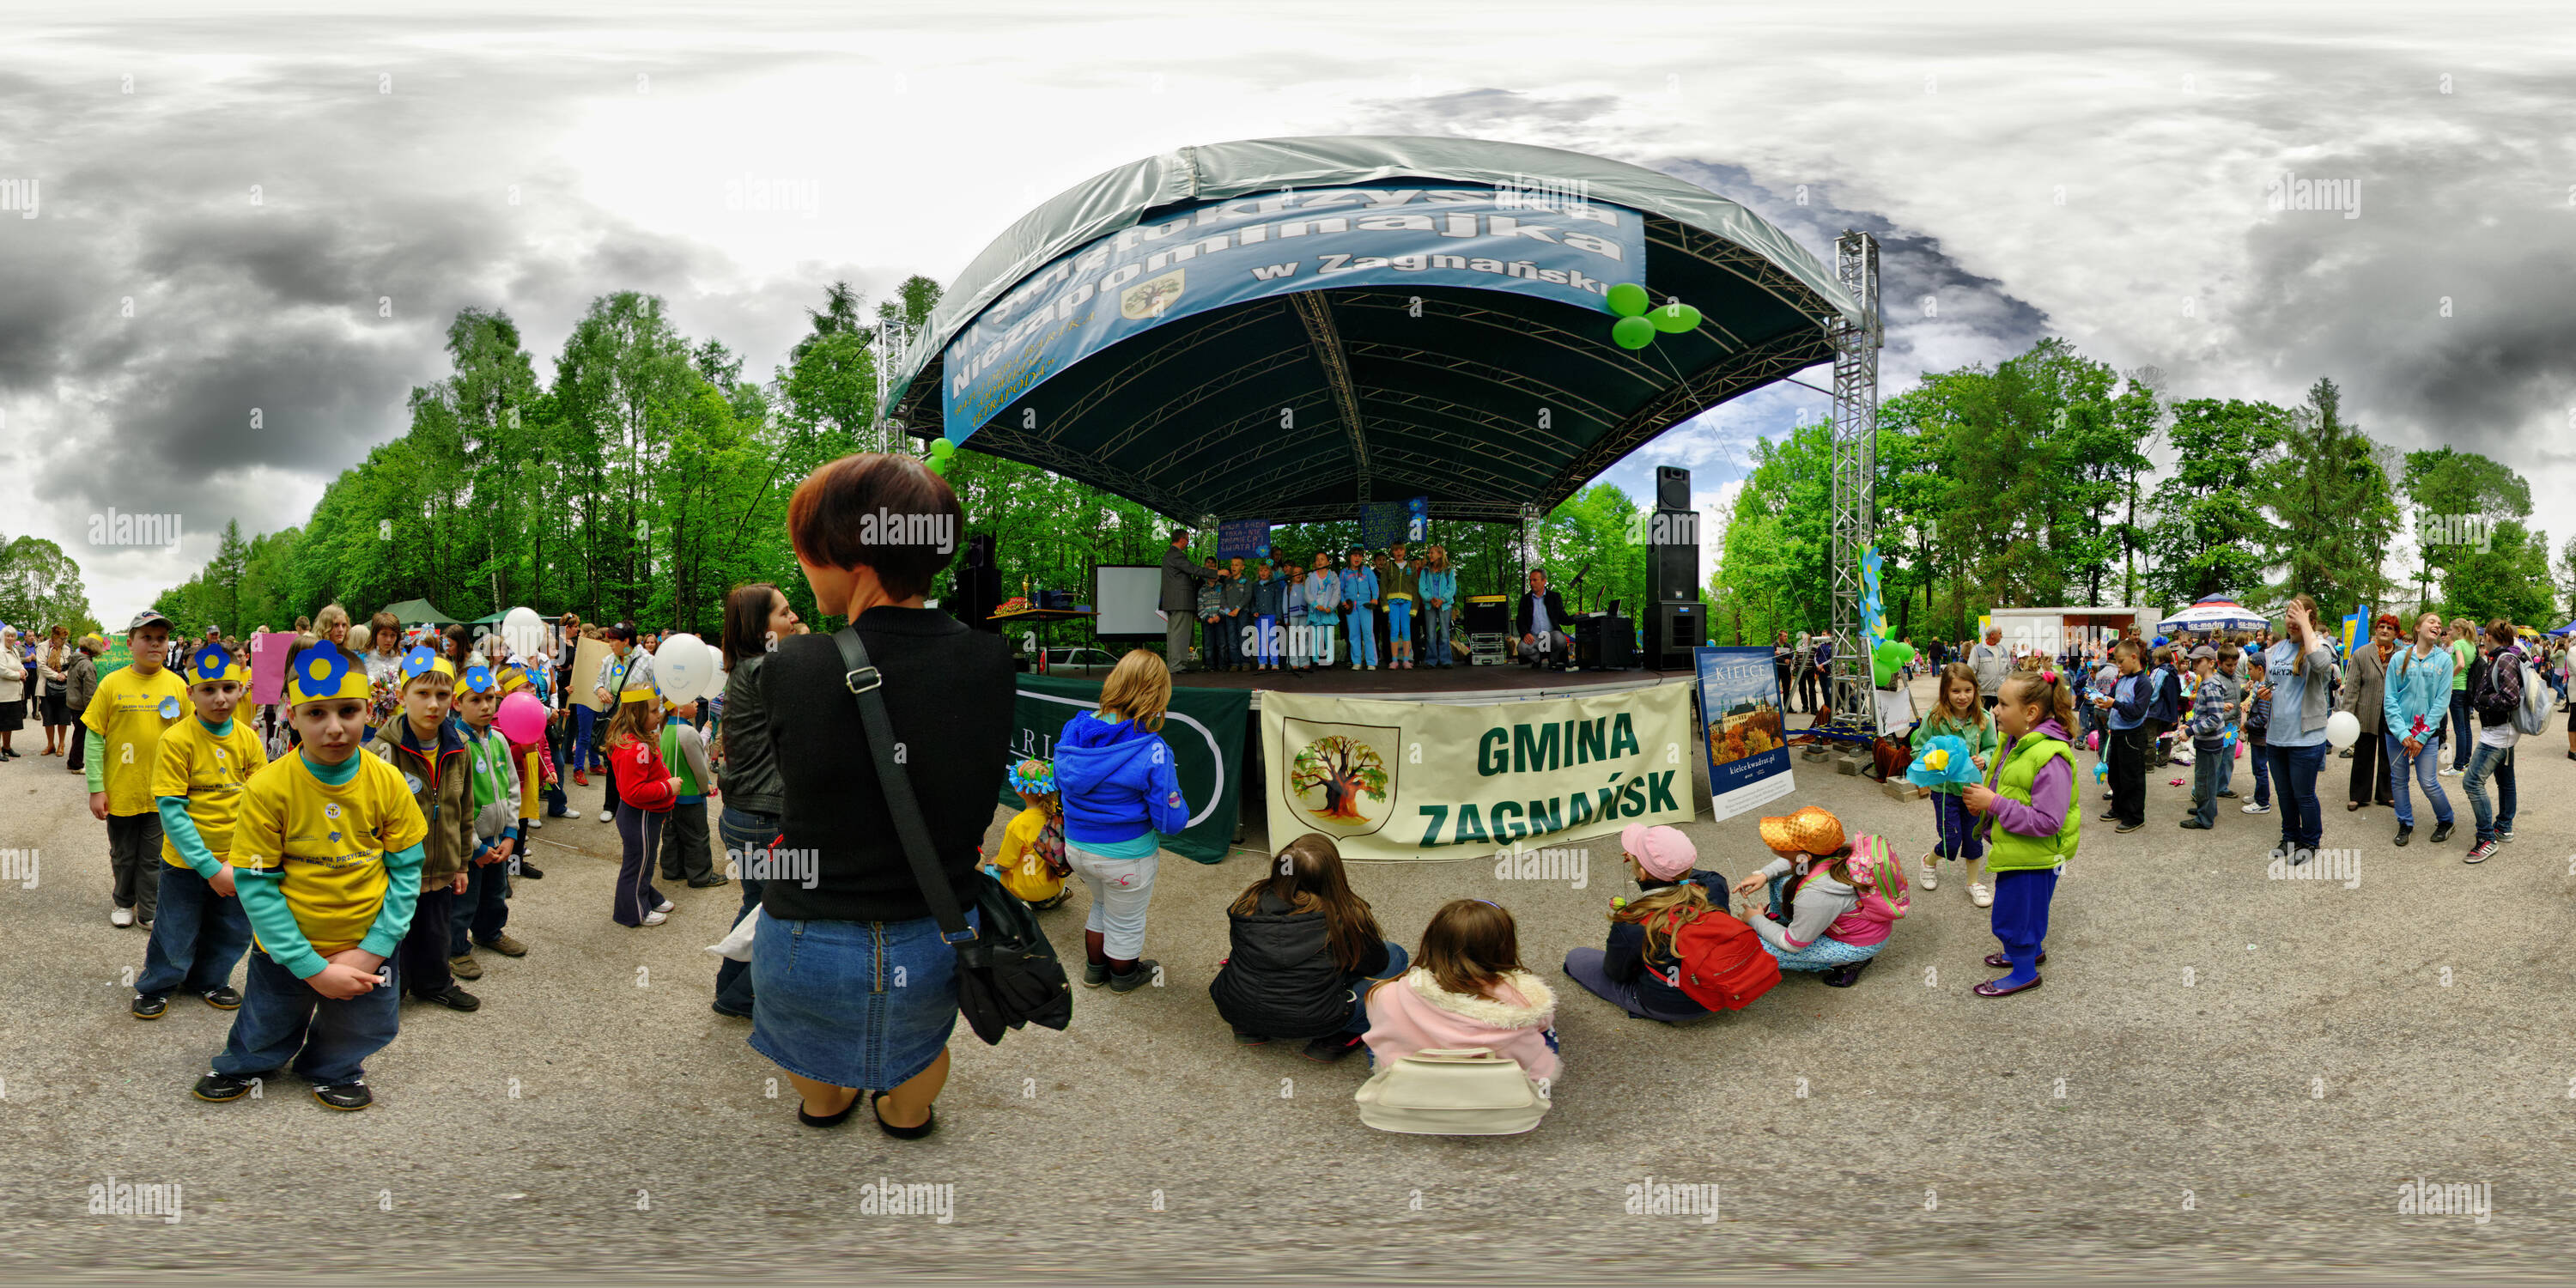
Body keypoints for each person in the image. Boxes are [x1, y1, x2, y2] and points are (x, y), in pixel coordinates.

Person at [753, 452, 1013, 1137]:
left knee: (819, 1089)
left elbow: (788, 784)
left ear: (851, 559)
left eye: (807, 550)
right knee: (917, 1068)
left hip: (808, 931)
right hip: (935, 927)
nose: (802, 567)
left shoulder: (792, 667)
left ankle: (830, 1103)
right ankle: (903, 1114)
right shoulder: (991, 661)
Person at [191, 640, 428, 1111]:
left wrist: (373, 950)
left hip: (367, 940)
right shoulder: (267, 788)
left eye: (349, 711)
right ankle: (247, 1063)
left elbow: (406, 871)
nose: (336, 728)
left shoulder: (389, 782)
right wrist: (310, 966)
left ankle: (333, 1066)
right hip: (286, 945)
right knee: (266, 1018)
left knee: (363, 1023)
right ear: (292, 716)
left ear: (369, 710)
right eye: (316, 713)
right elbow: (257, 884)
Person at [131, 643, 266, 1019]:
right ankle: (158, 983)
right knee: (175, 928)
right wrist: (209, 867)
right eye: (208, 690)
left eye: (228, 688)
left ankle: (209, 978)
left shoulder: (249, 739)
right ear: (191, 694)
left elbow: (262, 803)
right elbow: (172, 812)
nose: (220, 699)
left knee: (233, 929)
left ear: (242, 689)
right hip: (187, 863)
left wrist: (243, 860)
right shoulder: (176, 741)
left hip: (239, 860)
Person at [1054, 648, 1192, 992]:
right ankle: (1124, 976)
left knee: (1101, 904)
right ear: (1157, 694)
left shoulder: (1074, 729)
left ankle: (1094, 971)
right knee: (1127, 919)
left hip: (1077, 850)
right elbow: (1170, 821)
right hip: (1126, 857)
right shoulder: (1152, 748)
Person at [1209, 832, 1407, 1061]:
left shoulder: (1249, 900)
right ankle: (1339, 1037)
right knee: (1395, 955)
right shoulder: (1347, 917)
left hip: (1235, 1007)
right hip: (1316, 1019)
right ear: (1333, 876)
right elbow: (1375, 964)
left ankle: (1248, 1029)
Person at [370, 649, 481, 1012]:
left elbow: (464, 809)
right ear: (403, 696)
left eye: (443, 695)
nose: (433, 704)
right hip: (398, 872)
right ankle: (391, 989)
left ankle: (434, 983)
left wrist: (462, 863)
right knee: (395, 935)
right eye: (422, 694)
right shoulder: (382, 751)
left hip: (441, 867)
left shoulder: (458, 747)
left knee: (437, 930)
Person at [1960, 666, 2081, 997]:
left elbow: (2047, 821)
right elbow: (2008, 787)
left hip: (2035, 856)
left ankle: (2025, 972)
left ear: (2030, 712)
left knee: (2018, 916)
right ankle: (2026, 952)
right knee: (2019, 909)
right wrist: (1985, 803)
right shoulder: (2016, 741)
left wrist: (1994, 804)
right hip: (2018, 849)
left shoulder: (2049, 756)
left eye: (2001, 704)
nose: (1994, 710)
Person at [1359, 899, 1561, 1091]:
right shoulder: (1522, 1000)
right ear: (1504, 947)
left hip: (1414, 1083)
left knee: (1378, 1035)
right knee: (1544, 1028)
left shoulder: (1387, 994)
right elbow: (1542, 1022)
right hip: (1498, 1088)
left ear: (1431, 942)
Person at [711, 581, 798, 1020]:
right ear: (760, 627)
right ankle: (741, 994)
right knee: (782, 911)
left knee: (756, 904)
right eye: (784, 613)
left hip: (745, 816)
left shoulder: (747, 668)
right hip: (765, 820)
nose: (794, 618)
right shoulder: (766, 670)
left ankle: (730, 988)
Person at [1562, 823, 1732, 1020]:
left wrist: (1648, 866)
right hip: (1719, 992)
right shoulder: (1715, 885)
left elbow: (1616, 973)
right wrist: (1662, 867)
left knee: (1575, 957)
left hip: (1670, 1004)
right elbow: (1701, 875)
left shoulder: (1633, 919)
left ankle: (1650, 1006)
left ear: (1641, 874)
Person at [86, 610, 190, 927]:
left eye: (161, 638)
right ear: (131, 643)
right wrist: (96, 788)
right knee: (123, 853)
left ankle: (149, 909)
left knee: (154, 855)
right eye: (146, 638)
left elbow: (191, 738)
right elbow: (94, 738)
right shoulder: (112, 684)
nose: (155, 644)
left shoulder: (177, 686)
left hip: (162, 791)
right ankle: (122, 901)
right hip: (121, 790)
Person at [1734, 807, 1903, 987]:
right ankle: (1784, 923)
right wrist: (1764, 874)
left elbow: (1793, 944)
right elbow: (1795, 863)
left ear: (1805, 857)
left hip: (1855, 944)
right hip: (1838, 919)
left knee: (1754, 948)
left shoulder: (1817, 893)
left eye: (1783, 844)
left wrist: (1756, 920)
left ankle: (1846, 962)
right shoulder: (1830, 854)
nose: (1775, 845)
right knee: (1779, 878)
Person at [451, 663, 527, 967]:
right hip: (472, 846)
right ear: (457, 704)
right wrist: (475, 846)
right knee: (464, 900)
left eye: (490, 698)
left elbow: (511, 786)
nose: (485, 706)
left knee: (495, 893)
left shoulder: (498, 739)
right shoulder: (456, 745)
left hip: (498, 839)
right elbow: (454, 803)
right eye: (475, 700)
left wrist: (510, 833)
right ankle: (456, 949)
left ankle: (490, 932)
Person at [1912, 663, 1997, 903]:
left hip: (1974, 791)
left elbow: (1993, 747)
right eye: (1956, 691)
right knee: (1951, 840)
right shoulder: (1935, 717)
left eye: (1968, 690)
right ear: (1945, 693)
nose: (1962, 697)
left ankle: (1973, 882)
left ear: (1975, 690)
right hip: (1945, 791)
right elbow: (1917, 749)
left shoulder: (1985, 717)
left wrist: (1985, 759)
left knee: (1973, 836)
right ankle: (1929, 861)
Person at [2262, 596, 2338, 864]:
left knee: (2303, 795)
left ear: (2310, 620)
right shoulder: (2278, 649)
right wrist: (2265, 691)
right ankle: (2290, 835)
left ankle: (2311, 841)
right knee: (2283, 794)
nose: (2291, 621)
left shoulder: (2321, 646)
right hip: (2276, 736)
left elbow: (2319, 664)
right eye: (2289, 615)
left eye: (2298, 616)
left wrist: (2307, 627)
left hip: (2306, 738)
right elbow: (2274, 683)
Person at [603, 683, 680, 927]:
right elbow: (633, 791)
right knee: (636, 863)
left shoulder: (640, 740)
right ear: (637, 714)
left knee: (646, 860)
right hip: (640, 816)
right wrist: (668, 787)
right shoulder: (633, 748)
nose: (659, 716)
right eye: (654, 711)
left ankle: (646, 895)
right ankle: (632, 912)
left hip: (648, 815)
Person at [2382, 610, 2457, 849]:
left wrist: (2421, 736)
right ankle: (2405, 823)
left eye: (2440, 623)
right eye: (2432, 621)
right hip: (2396, 733)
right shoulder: (2398, 658)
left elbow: (2441, 702)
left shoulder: (2444, 660)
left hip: (2427, 734)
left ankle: (2446, 820)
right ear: (2418, 627)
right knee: (2399, 780)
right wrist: (2403, 734)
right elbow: (2390, 698)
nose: (2437, 625)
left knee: (2428, 781)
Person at [2459, 619, 2524, 863]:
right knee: (2505, 780)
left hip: (2498, 732)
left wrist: (2483, 700)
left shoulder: (2505, 658)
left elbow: (2511, 698)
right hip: (2504, 730)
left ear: (2489, 637)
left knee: (2472, 782)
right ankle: (2504, 827)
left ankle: (2486, 839)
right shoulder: (2504, 656)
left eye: (2484, 635)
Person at [657, 695, 721, 887]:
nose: (696, 704)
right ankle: (701, 876)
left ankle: (671, 870)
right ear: (680, 708)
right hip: (689, 793)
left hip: (671, 793)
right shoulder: (688, 732)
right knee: (697, 836)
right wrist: (705, 787)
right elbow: (699, 767)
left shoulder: (666, 728)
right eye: (692, 701)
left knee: (672, 834)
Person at [989, 758, 1070, 910]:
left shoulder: (1018, 824)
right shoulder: (1057, 811)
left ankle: (1018, 902)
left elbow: (1004, 865)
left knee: (987, 873)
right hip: (1057, 883)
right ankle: (1054, 895)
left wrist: (996, 861)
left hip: (1028, 890)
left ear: (1020, 789)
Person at [2338, 614, 2398, 812]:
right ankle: (2358, 796)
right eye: (2382, 626)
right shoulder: (2362, 653)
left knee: (2388, 754)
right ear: (2375, 629)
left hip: (2392, 713)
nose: (2385, 631)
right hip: (2366, 711)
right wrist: (2347, 715)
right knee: (2363, 754)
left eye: (2390, 628)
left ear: (2396, 633)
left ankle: (2386, 794)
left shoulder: (2402, 655)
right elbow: (2353, 686)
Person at [2090, 637, 2150, 834]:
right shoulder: (2123, 679)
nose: (2118, 666)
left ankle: (2134, 817)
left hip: (2132, 736)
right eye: (2116, 661)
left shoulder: (2143, 683)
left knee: (2132, 777)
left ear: (2134, 657)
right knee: (2115, 775)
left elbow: (2136, 711)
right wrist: (2100, 701)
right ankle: (2118, 808)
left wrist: (2113, 704)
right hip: (2116, 733)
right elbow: (2114, 700)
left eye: (2121, 661)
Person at [2179, 646, 2238, 830]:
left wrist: (2189, 732)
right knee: (2206, 779)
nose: (2194, 664)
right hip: (2208, 741)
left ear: (2211, 663)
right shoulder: (2207, 684)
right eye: (2193, 661)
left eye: (2199, 661)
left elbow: (2214, 719)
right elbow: (2203, 714)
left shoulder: (2210, 686)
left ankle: (2205, 818)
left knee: (2204, 781)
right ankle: (2207, 809)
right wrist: (2189, 725)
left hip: (2210, 743)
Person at [1159, 529, 1225, 671]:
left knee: (1173, 634)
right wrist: (1216, 572)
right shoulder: (1176, 555)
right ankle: (1177, 665)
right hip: (1180, 601)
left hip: (1172, 601)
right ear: (1182, 540)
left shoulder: (1168, 555)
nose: (1188, 543)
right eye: (1187, 540)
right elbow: (1193, 569)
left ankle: (1174, 664)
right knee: (1179, 634)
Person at [1515, 568, 1570, 668]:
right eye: (1530, 580)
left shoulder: (1554, 597)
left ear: (1544, 581)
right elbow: (1520, 620)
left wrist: (1575, 617)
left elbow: (1563, 618)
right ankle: (1537, 659)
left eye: (1535, 580)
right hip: (1534, 638)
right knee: (1522, 648)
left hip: (1551, 636)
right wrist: (1525, 633)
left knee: (1560, 639)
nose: (1531, 583)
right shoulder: (1525, 599)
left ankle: (1553, 660)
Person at [2240, 651, 2274, 815]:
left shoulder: (2264, 688)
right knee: (2257, 768)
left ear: (2260, 669)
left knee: (2260, 768)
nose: (2248, 673)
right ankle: (2259, 795)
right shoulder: (2259, 686)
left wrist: (2246, 725)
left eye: (2250, 669)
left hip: (2261, 737)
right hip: (2258, 737)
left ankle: (2262, 802)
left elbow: (2262, 718)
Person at [64, 632, 100, 775]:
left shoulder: (76, 660)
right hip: (82, 706)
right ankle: (76, 765)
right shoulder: (87, 665)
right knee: (80, 736)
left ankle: (72, 762)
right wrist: (93, 710)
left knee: (78, 735)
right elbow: (89, 692)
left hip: (73, 703)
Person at [2444, 617, 2476, 775]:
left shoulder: (2458, 644)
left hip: (2456, 688)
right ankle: (2465, 761)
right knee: (2466, 727)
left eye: (2451, 629)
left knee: (2460, 729)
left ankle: (2458, 766)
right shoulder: (2472, 645)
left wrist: (2447, 677)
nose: (2449, 632)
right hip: (2467, 689)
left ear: (2458, 630)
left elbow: (2461, 664)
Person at [1342, 548, 1382, 671]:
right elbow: (1340, 590)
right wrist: (1343, 601)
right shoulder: (1344, 572)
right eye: (1355, 555)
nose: (1357, 558)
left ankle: (1371, 662)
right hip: (1351, 606)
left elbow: (1374, 586)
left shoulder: (1367, 571)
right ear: (1350, 557)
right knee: (1354, 634)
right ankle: (1357, 661)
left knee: (1368, 633)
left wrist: (1375, 598)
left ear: (1362, 558)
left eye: (1359, 556)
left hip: (1365, 605)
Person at [1303, 552, 1342, 671]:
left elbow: (1336, 593)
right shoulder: (1311, 577)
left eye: (1322, 559)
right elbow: (1307, 593)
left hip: (1327, 610)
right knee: (1315, 636)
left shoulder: (1333, 577)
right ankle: (1315, 660)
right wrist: (1315, 604)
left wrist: (1331, 606)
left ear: (1327, 562)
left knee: (1328, 636)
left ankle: (1329, 660)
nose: (1319, 561)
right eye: (1317, 559)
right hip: (1316, 611)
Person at [1419, 546, 1457, 668]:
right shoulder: (1425, 571)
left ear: (1440, 554)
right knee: (1430, 633)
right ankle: (1431, 660)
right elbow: (1422, 588)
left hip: (1444, 605)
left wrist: (1442, 600)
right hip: (1430, 604)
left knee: (1445, 633)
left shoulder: (1448, 570)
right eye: (1429, 553)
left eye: (1432, 553)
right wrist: (1430, 598)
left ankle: (1446, 660)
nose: (1429, 555)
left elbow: (1452, 588)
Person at [1382, 546, 1419, 670]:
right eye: (1396, 550)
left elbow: (1415, 587)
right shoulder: (1388, 566)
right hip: (1392, 601)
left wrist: (1415, 607)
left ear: (1404, 551)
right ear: (1392, 552)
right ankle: (1394, 660)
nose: (1399, 552)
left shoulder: (1411, 566)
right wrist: (1385, 604)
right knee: (1394, 629)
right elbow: (1383, 586)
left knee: (1405, 629)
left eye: (1401, 550)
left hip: (1407, 601)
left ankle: (1406, 660)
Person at [1195, 556, 1230, 673]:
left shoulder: (1222, 588)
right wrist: (1205, 617)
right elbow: (1200, 605)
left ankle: (1222, 664)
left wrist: (1219, 615)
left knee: (1222, 643)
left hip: (1219, 619)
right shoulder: (1202, 590)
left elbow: (1225, 604)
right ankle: (1210, 665)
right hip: (1207, 621)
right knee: (1208, 644)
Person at [39, 625, 71, 756]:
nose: (63, 641)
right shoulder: (43, 647)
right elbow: (41, 665)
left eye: (65, 639)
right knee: (48, 717)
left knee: (63, 717)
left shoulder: (67, 649)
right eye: (61, 639)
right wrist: (55, 675)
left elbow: (71, 666)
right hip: (46, 686)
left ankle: (61, 744)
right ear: (55, 637)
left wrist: (64, 674)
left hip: (63, 687)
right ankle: (50, 744)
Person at [1219, 557, 1255, 673]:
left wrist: (1238, 609)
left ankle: (1246, 662)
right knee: (1232, 638)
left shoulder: (1246, 580)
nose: (1233, 567)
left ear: (1242, 567)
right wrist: (1228, 610)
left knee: (1243, 636)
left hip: (1242, 612)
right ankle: (1235, 662)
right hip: (1229, 614)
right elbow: (1223, 597)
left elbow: (1247, 596)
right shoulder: (1227, 581)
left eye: (1237, 565)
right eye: (1232, 565)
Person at [1250, 560, 1286, 672]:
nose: (1263, 572)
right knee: (1261, 640)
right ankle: (1262, 662)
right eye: (1261, 570)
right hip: (1259, 616)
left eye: (1265, 570)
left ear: (1269, 572)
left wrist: (1278, 617)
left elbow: (1278, 601)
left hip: (1271, 615)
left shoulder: (1274, 585)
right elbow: (1252, 601)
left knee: (1272, 639)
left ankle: (1274, 663)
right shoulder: (1255, 586)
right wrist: (1254, 611)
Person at [1969, 628, 2009, 712]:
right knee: (1981, 720)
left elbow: (2009, 670)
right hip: (1983, 693)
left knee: (2002, 720)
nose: (2002, 636)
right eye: (2000, 633)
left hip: (1999, 693)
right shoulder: (1977, 650)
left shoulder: (2003, 650)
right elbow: (1971, 671)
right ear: (1992, 635)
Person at [0, 624, 23, 760]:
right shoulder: (0, 651)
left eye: (12, 636)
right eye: (8, 635)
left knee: (9, 723)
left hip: (14, 694)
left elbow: (20, 666)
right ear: (3, 636)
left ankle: (7, 747)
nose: (10, 638)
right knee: (1, 723)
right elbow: (2, 670)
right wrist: (18, 675)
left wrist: (23, 672)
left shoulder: (14, 650)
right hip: (2, 694)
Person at [1284, 563, 1310, 675]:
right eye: (1295, 573)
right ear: (1291, 575)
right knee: (1292, 638)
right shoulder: (1288, 588)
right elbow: (1285, 603)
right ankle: (1293, 661)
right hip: (1292, 615)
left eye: (1300, 572)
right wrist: (1286, 618)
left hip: (1304, 614)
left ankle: (1304, 661)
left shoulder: (1306, 587)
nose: (1298, 575)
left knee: (1304, 637)